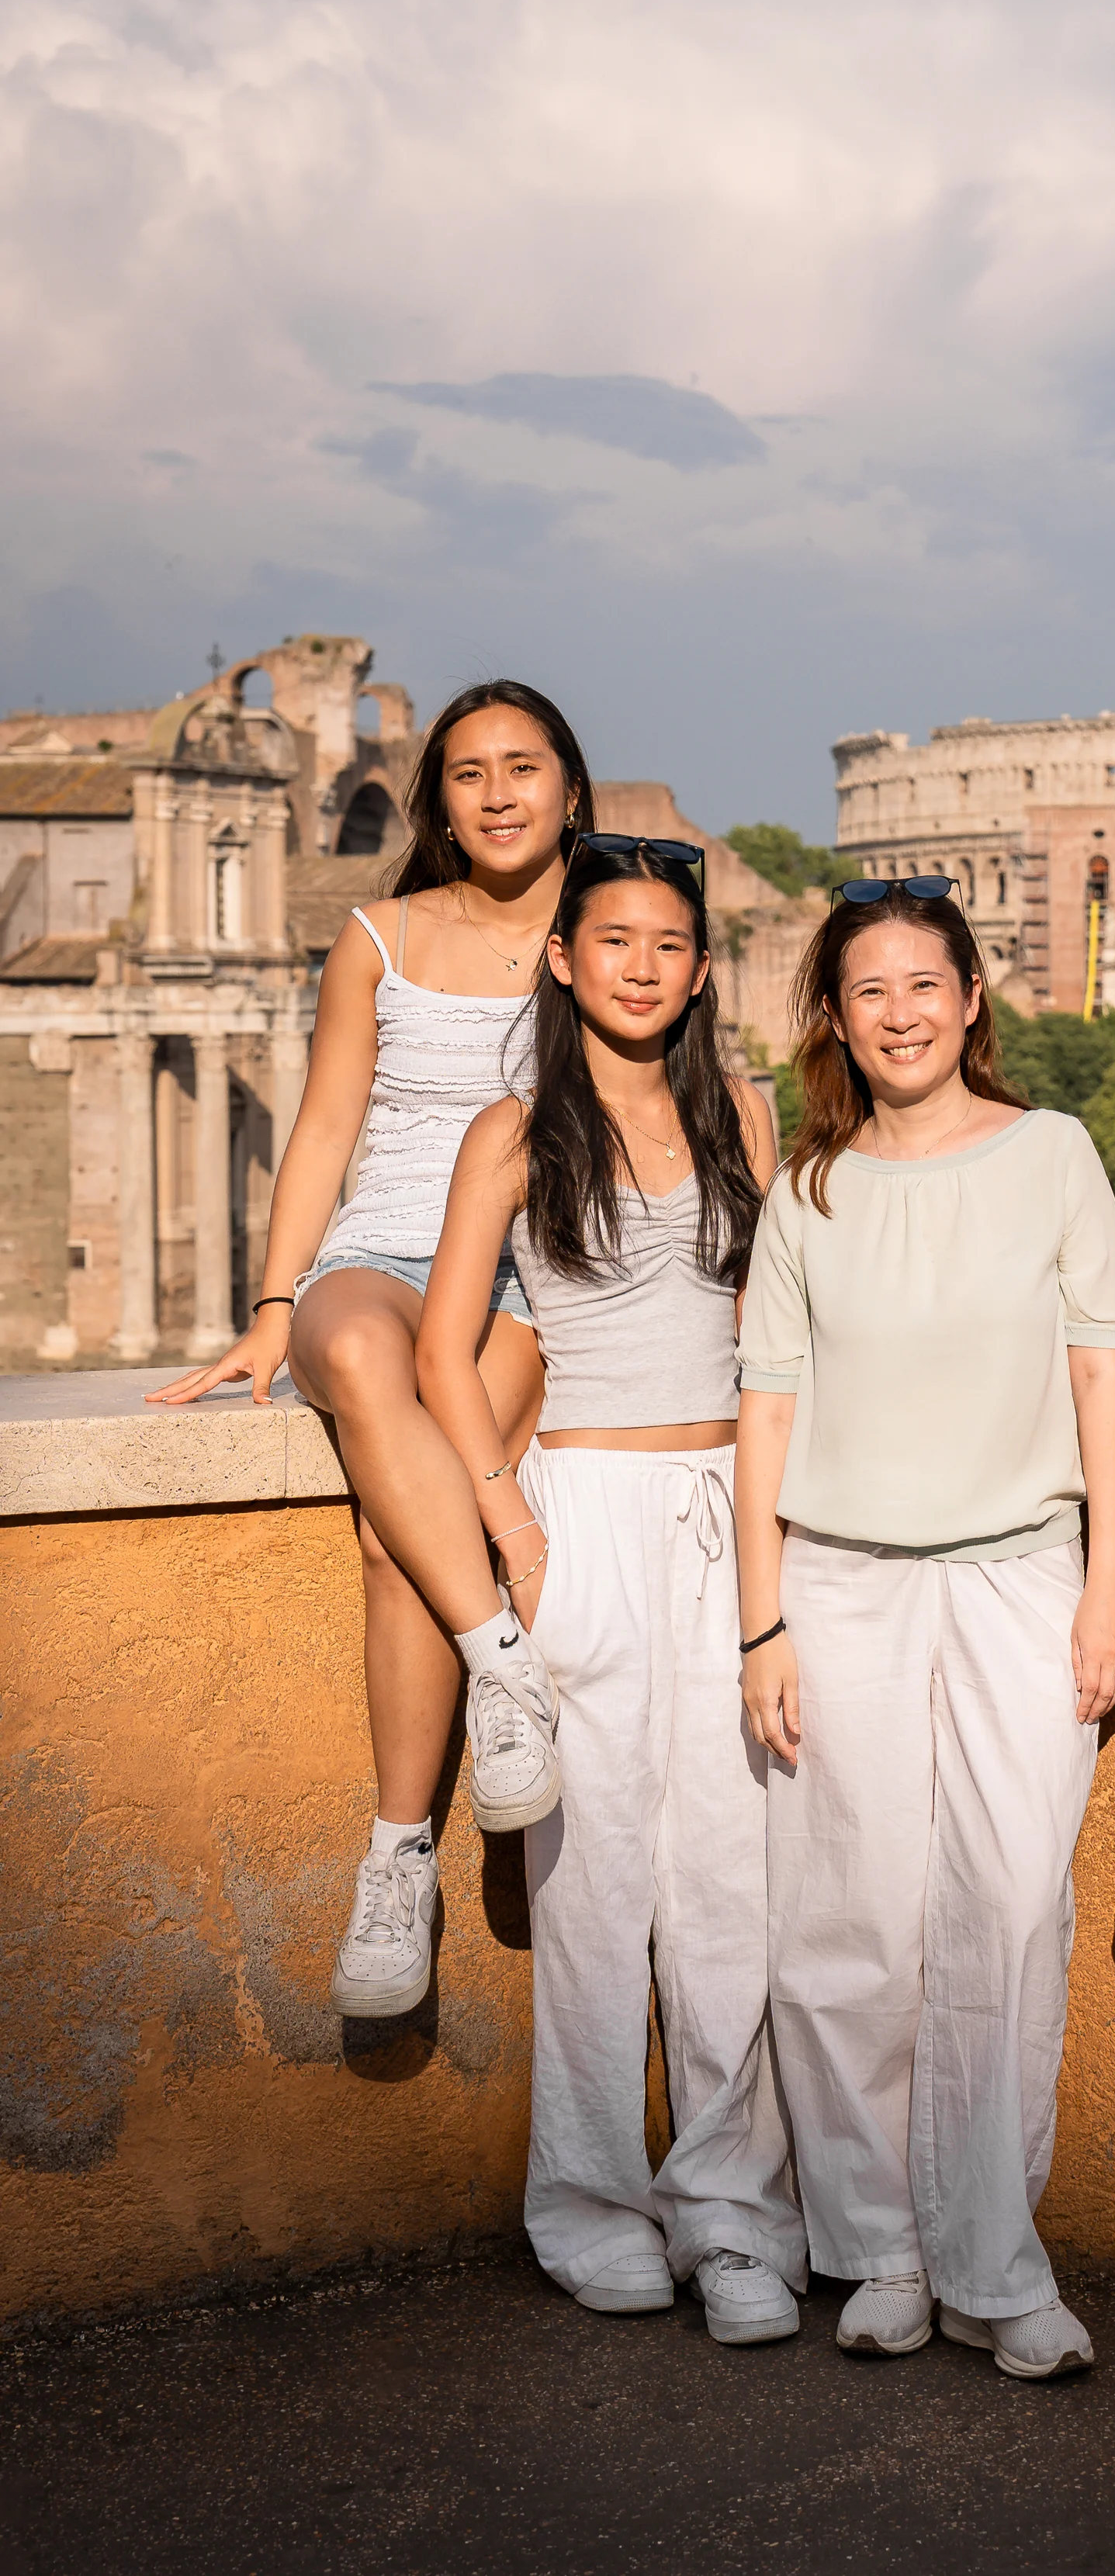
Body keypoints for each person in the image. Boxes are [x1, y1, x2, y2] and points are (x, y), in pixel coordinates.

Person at [734, 877, 1115, 2381]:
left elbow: (1101, 1376)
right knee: (847, 1924)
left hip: (1023, 1573)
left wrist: (1108, 1582)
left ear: (971, 998)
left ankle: (991, 2259)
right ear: (835, 1020)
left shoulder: (1054, 1154)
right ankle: (880, 2251)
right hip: (839, 1583)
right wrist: (761, 1626)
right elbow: (767, 1414)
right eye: (868, 990)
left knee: (1010, 1910)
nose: (899, 1013)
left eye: (923, 984)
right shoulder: (809, 1192)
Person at [151, 683, 594, 2019]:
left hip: (529, 1271)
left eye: (523, 766)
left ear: (571, 786)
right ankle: (502, 1663)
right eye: (469, 772)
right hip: (383, 1250)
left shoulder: (607, 926)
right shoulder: (377, 937)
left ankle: (396, 1857)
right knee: (343, 1345)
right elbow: (328, 1125)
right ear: (438, 802)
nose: (498, 793)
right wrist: (271, 1303)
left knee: (396, 1536)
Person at [414, 835, 804, 2339]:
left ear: (701, 970)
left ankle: (732, 2214)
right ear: (564, 958)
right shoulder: (512, 1131)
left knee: (728, 1881)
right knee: (589, 1885)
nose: (642, 966)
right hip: (581, 1510)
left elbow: (775, 1330)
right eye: (615, 940)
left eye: (669, 943)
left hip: (729, 1511)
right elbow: (445, 1348)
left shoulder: (742, 1113)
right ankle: (585, 2206)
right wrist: (508, 1517)